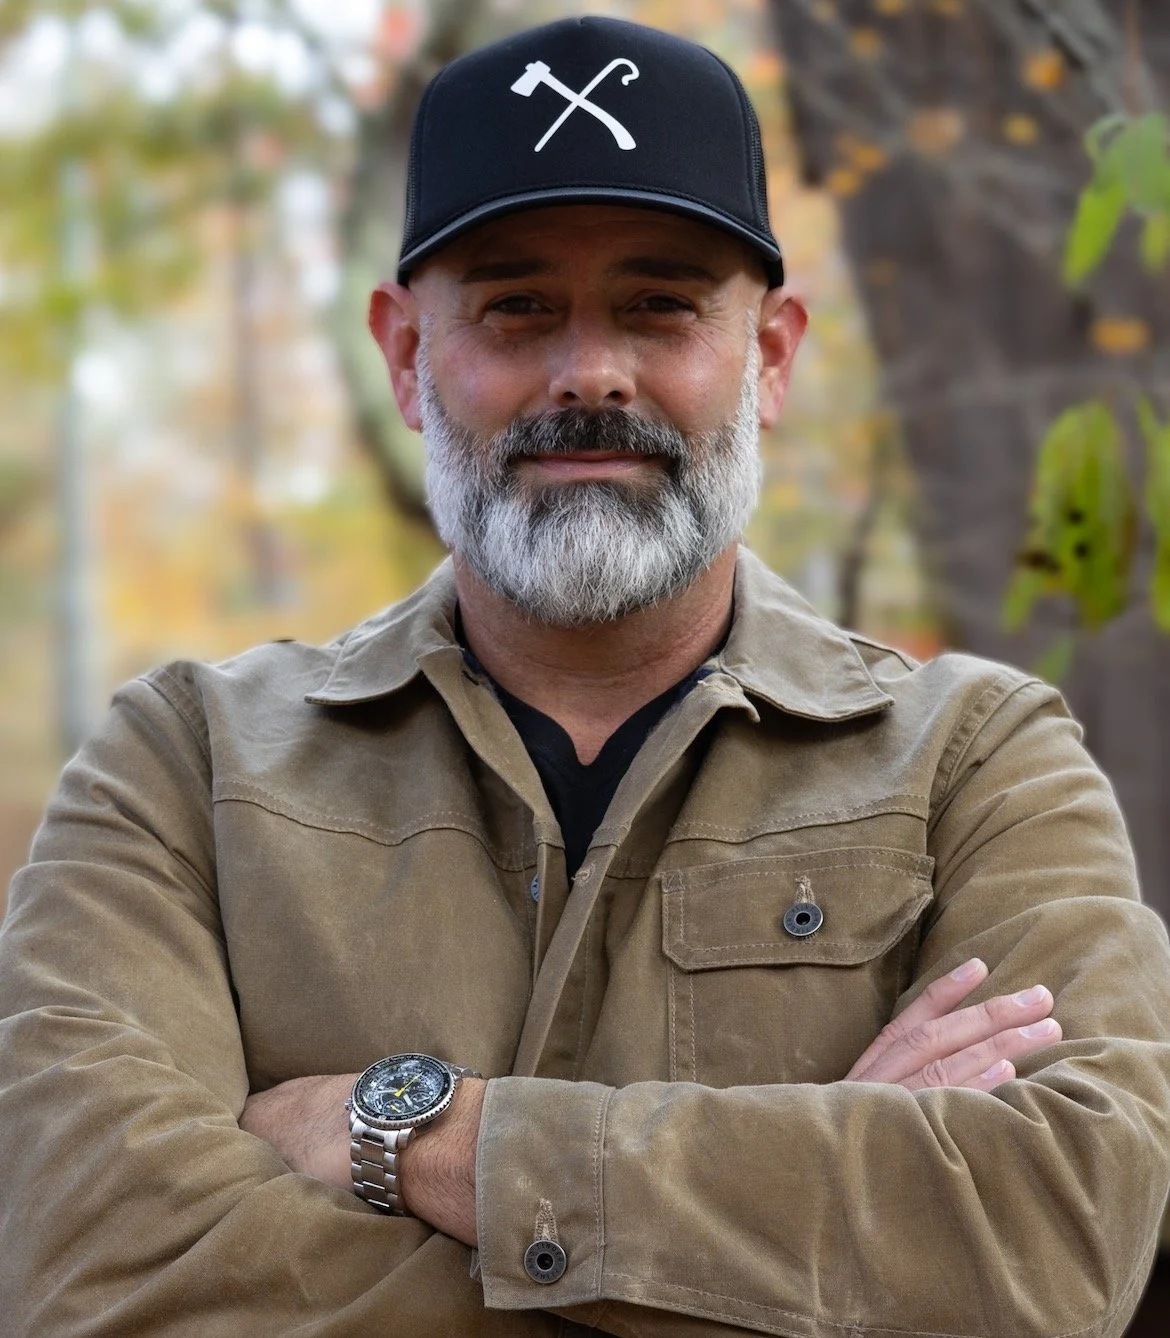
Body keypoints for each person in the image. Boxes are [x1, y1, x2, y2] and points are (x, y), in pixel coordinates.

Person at [2, 14, 1169, 1337]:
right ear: (403, 354)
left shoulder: (979, 760)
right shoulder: (186, 768)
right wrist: (828, 1218)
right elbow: (95, 1270)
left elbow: (1055, 1241)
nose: (589, 371)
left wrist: (407, 1133)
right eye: (515, 306)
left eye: (659, 303)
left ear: (771, 355)